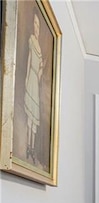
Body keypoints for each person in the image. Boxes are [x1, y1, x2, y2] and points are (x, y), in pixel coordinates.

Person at [24, 13, 46, 166]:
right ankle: (27, 145)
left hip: (35, 81)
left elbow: (39, 75)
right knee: (29, 116)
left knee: (34, 118)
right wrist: (26, 77)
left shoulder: (41, 48)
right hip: (30, 78)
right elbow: (29, 60)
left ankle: (32, 148)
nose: (37, 27)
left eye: (38, 24)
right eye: (35, 23)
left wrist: (41, 70)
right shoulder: (32, 40)